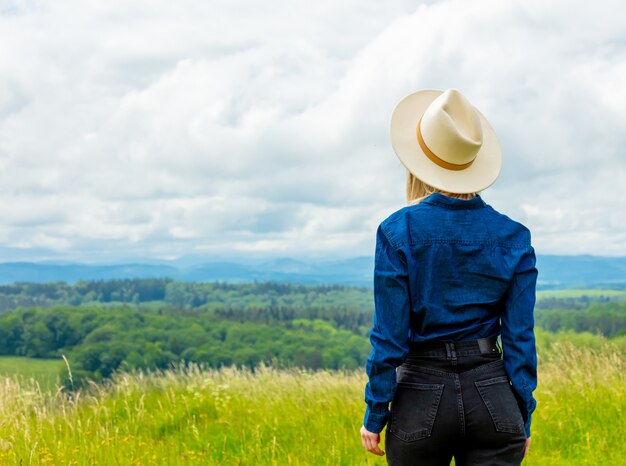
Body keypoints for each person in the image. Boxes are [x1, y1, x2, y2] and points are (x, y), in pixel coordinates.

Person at [359, 89, 537, 465]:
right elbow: (520, 338)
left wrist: (376, 413)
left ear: (420, 161)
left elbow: (388, 339)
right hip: (493, 396)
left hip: (419, 397)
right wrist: (521, 415)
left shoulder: (397, 231)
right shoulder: (514, 238)